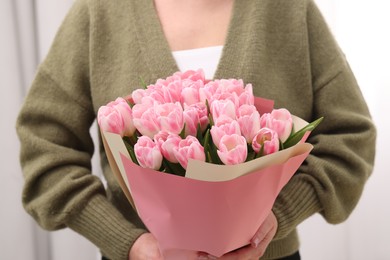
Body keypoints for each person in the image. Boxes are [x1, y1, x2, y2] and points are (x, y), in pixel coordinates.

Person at [16, 0, 376, 259]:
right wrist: (130, 243)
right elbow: (45, 150)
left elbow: (351, 137)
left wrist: (276, 217)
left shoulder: (289, 9)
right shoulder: (99, 12)